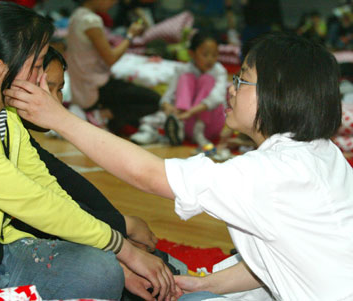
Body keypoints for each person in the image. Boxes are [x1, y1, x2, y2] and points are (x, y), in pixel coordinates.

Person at [6, 31, 353, 300]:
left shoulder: (270, 173)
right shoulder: (321, 153)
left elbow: (146, 174)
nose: (233, 88)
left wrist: (61, 119)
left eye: (243, 79)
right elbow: (280, 259)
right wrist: (203, 282)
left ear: (277, 94)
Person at [0, 2, 177, 300]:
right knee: (109, 268)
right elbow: (34, 202)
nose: (41, 79)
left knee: (103, 270)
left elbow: (50, 187)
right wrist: (123, 246)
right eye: (37, 66)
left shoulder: (3, 114)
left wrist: (117, 252)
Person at [17, 46, 188, 300]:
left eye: (59, 89)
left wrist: (119, 229)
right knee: (104, 271)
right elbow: (38, 211)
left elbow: (64, 181)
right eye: (47, 87)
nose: (54, 99)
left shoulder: (16, 131)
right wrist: (121, 235)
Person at [66, 0, 160, 134]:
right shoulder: (91, 20)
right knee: (153, 101)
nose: (114, 2)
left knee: (130, 120)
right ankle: (101, 115)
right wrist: (130, 35)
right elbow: (111, 58)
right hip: (95, 87)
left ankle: (99, 116)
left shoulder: (76, 16)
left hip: (82, 86)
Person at [131, 31, 227, 148]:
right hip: (185, 119)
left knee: (207, 79)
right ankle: (169, 127)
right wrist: (168, 107)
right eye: (205, 54)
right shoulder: (183, 70)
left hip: (209, 125)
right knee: (185, 78)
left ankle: (196, 130)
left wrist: (191, 112)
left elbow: (216, 98)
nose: (210, 59)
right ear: (191, 53)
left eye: (214, 55)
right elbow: (168, 96)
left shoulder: (219, 71)